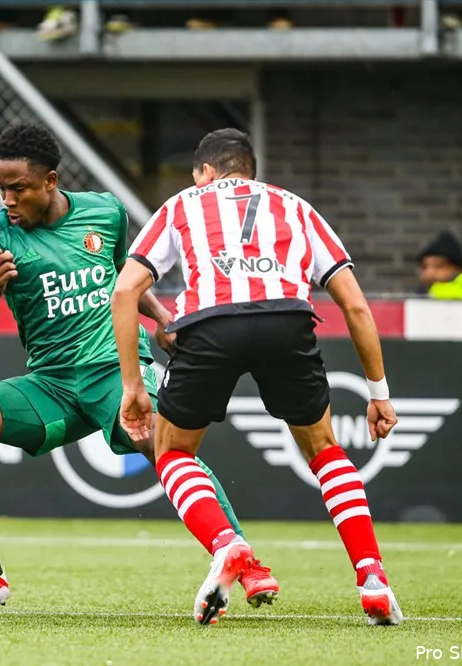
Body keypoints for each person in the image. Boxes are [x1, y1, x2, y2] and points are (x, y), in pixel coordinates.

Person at [0, 123, 279, 610]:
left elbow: (122, 281)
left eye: (19, 189)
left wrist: (162, 316)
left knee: (163, 444)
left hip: (113, 371)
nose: (8, 200)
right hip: (52, 383)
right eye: (1, 189)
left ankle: (246, 562)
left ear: (50, 180)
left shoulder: (105, 212)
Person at [111, 128, 403, 626]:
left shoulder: (183, 205)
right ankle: (373, 578)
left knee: (173, 452)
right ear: (250, 170)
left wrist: (134, 385)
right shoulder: (294, 206)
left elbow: (125, 292)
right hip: (285, 319)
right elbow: (354, 303)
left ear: (204, 172)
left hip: (208, 325)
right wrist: (379, 393)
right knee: (325, 451)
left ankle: (227, 544)